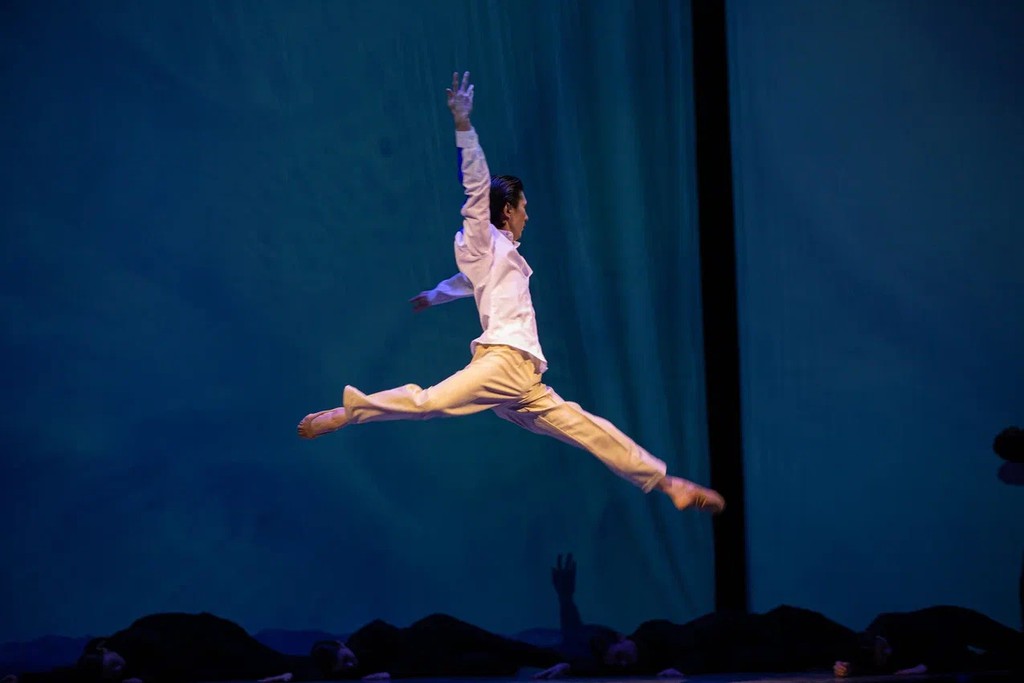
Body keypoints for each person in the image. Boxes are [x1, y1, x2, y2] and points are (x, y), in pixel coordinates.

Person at [297, 71, 724, 515]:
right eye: (523, 208)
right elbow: (475, 187)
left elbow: (468, 283)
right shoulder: (484, 240)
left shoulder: (498, 257)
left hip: (522, 379)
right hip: (502, 362)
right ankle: (348, 412)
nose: (527, 216)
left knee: (589, 430)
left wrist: (434, 295)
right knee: (430, 402)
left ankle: (668, 482)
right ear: (507, 210)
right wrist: (463, 124)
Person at [534, 553, 857, 678]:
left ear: (622, 638)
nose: (623, 663)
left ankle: (869, 647)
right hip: (764, 648)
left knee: (819, 633)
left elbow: (698, 644)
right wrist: (569, 667)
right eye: (617, 663)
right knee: (819, 651)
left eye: (620, 655)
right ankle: (865, 652)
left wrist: (682, 667)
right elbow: (604, 669)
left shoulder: (651, 633)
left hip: (765, 630)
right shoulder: (638, 664)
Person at [308, 613, 560, 679]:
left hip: (438, 633)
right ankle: (558, 663)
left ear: (342, 644)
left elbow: (403, 646)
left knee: (502, 646)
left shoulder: (367, 637)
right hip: (440, 659)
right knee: (500, 664)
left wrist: (393, 672)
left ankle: (563, 660)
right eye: (344, 667)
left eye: (346, 658)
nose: (350, 665)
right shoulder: (349, 671)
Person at [832, 606, 1024, 678]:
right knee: (993, 660)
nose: (888, 653)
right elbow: (857, 661)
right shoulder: (867, 650)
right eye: (882, 656)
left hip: (957, 621)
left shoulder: (893, 624)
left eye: (885, 650)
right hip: (946, 646)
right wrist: (847, 668)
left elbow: (942, 636)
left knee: (1013, 643)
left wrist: (925, 666)